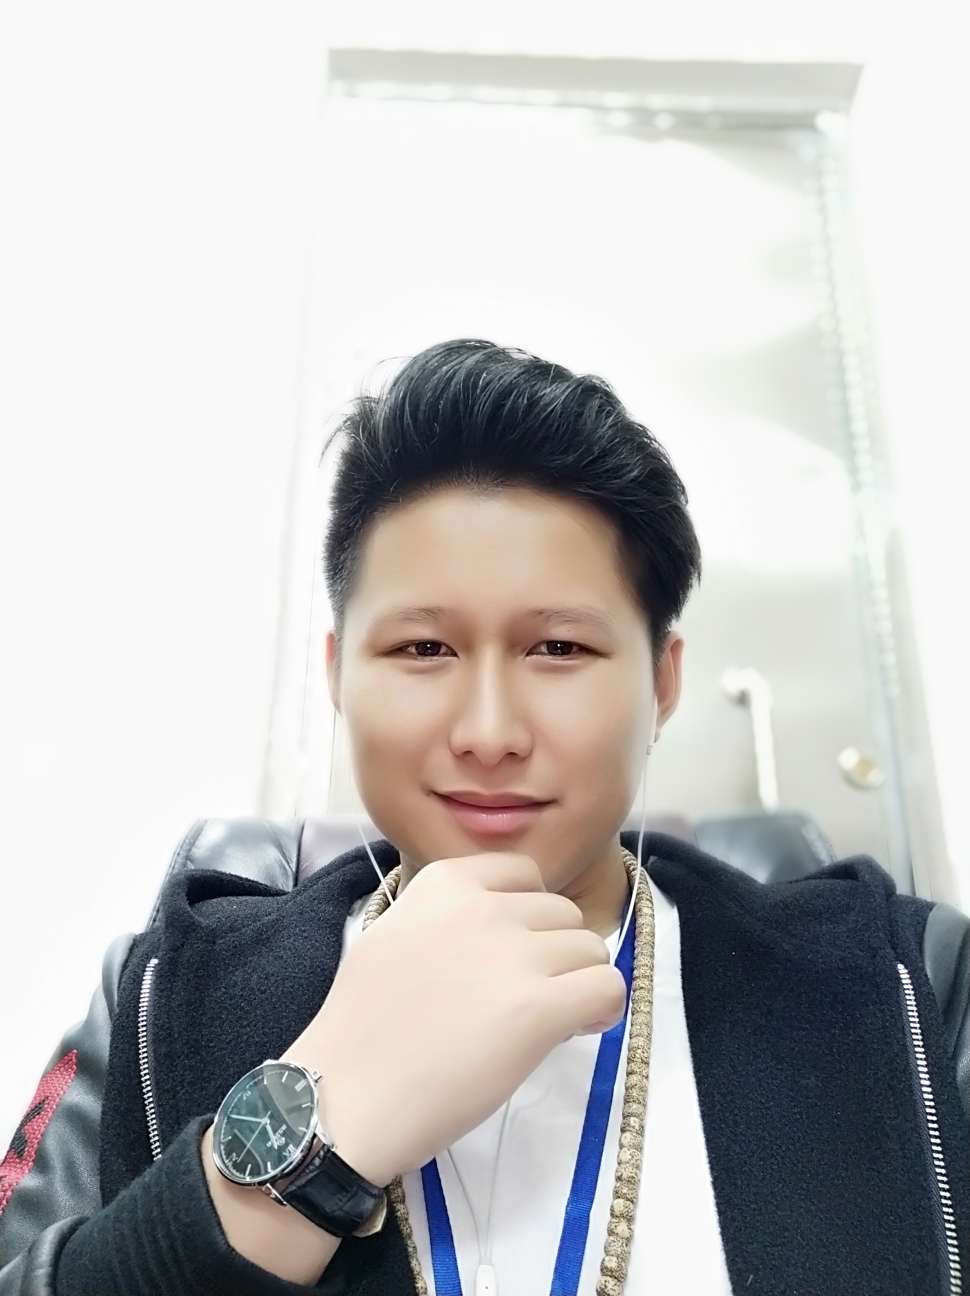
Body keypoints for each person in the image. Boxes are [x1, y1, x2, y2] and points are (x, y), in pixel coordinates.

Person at [1, 338, 968, 1296]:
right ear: (338, 673)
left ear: (663, 682)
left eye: (558, 649)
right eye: (423, 649)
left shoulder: (906, 988)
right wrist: (308, 1137)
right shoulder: (161, 993)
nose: (490, 733)